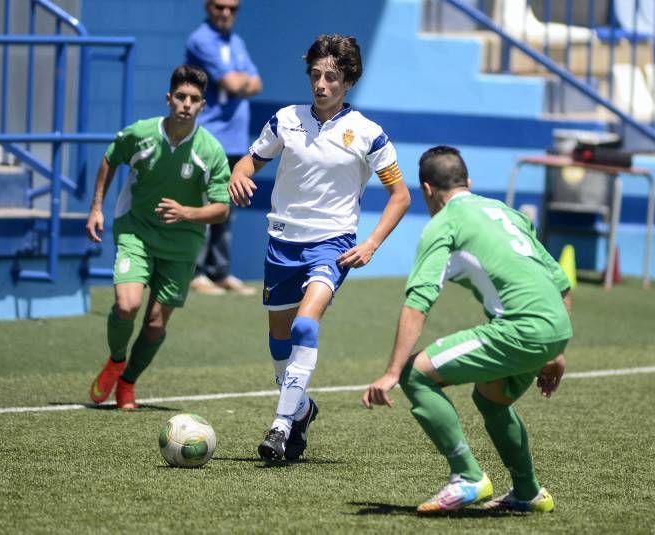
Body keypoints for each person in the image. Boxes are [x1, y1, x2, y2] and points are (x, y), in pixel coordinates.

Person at [228, 34, 411, 461]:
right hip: (282, 243)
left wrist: (370, 243)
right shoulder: (285, 119)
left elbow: (400, 195)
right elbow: (250, 160)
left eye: (331, 76)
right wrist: (238, 174)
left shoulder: (368, 133)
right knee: (278, 343)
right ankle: (302, 409)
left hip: (332, 244)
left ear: (347, 81)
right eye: (315, 75)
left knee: (304, 327)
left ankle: (279, 425)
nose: (321, 84)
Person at [362, 146, 572, 514]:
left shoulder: (443, 223)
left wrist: (393, 372)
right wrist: (555, 350)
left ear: (427, 190)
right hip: (555, 327)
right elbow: (560, 283)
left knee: (416, 375)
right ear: (468, 182)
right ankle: (528, 492)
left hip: (522, 329)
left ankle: (467, 475)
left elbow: (418, 301)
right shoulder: (505, 211)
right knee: (491, 397)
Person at [85, 65, 231, 409]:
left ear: (202, 106)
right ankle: (117, 359)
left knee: (153, 325)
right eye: (180, 96)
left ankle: (127, 383)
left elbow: (222, 208)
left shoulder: (210, 151)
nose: (186, 104)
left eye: (194, 99)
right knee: (127, 305)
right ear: (169, 99)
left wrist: (187, 213)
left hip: (182, 245)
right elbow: (111, 157)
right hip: (137, 231)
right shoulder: (141, 134)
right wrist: (96, 208)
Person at [185, 0, 262, 296]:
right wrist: (240, 81)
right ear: (208, 7)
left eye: (232, 8)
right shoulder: (201, 39)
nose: (226, 13)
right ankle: (196, 272)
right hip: (208, 136)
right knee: (205, 204)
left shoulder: (237, 42)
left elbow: (257, 84)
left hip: (235, 140)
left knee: (227, 207)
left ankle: (220, 272)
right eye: (220, 6)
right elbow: (232, 83)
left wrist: (241, 82)